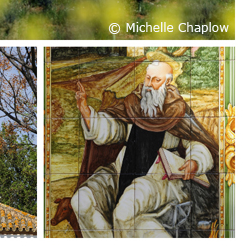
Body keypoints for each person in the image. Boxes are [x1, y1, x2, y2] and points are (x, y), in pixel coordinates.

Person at [71, 61, 218, 237]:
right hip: (122, 170)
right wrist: (87, 113)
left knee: (124, 211)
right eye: (148, 79)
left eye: (156, 80)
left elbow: (195, 143)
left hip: (160, 178)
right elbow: (115, 130)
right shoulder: (134, 102)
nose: (149, 85)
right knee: (81, 201)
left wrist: (195, 161)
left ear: (168, 83)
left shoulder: (177, 110)